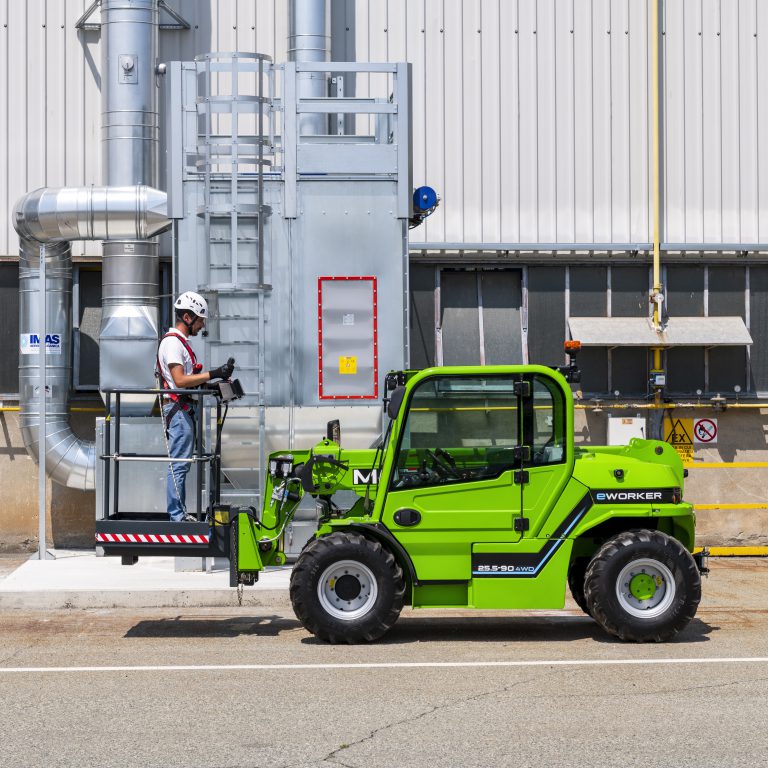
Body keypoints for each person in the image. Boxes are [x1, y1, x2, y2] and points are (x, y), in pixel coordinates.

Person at [156, 291, 235, 522]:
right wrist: (213, 373)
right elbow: (179, 381)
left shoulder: (180, 343)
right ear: (188, 318)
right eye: (200, 320)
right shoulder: (172, 343)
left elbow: (187, 380)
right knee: (179, 465)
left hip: (184, 409)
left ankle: (178, 514)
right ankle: (177, 517)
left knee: (183, 464)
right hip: (178, 411)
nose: (202, 326)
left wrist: (212, 384)